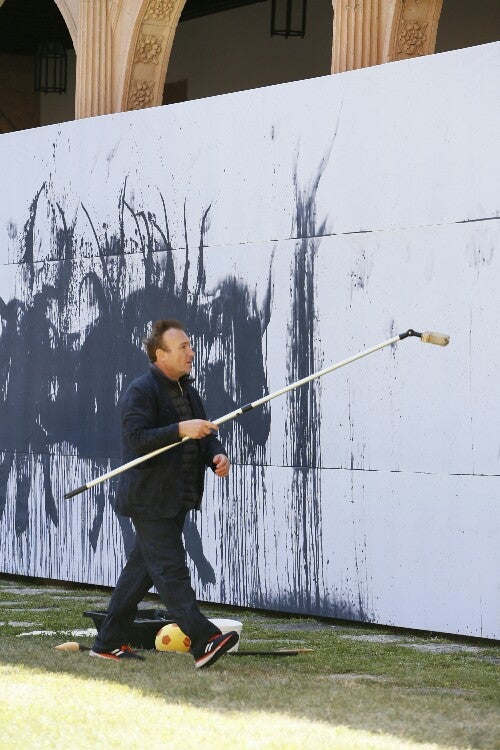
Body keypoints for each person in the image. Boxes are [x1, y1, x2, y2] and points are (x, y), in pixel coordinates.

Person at [90, 319, 239, 669]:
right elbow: (137, 439)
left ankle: (106, 643)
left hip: (177, 498)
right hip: (149, 500)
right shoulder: (141, 391)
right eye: (183, 347)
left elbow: (203, 434)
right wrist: (178, 429)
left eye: (190, 345)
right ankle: (204, 640)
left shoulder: (187, 391)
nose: (191, 352)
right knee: (171, 570)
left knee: (141, 571)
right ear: (161, 354)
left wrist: (216, 455)